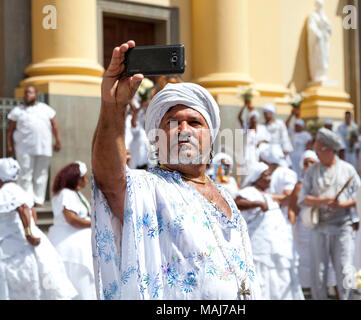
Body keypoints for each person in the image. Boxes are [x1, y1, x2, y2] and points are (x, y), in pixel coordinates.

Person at [91, 40, 260, 300]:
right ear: (157, 139)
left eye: (194, 122)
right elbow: (110, 180)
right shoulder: (150, 188)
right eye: (172, 123)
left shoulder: (225, 195)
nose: (183, 130)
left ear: (211, 137)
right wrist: (112, 105)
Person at [0, 158, 77, 300]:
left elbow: (23, 208)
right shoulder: (16, 189)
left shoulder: (7, 191)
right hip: (9, 235)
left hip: (9, 240)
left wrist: (29, 232)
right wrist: (32, 227)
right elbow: (31, 211)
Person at [298, 128, 361, 300]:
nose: (316, 154)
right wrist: (324, 201)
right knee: (318, 273)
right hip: (319, 227)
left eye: (319, 150)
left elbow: (360, 196)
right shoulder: (312, 171)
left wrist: (342, 204)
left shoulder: (348, 169)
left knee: (344, 269)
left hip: (343, 227)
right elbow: (302, 199)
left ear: (330, 150)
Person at [234, 163, 304, 300]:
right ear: (256, 177)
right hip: (261, 249)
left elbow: (287, 199)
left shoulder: (266, 195)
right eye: (266, 175)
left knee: (280, 280)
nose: (269, 178)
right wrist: (258, 204)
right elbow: (237, 203)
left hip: (275, 247)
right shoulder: (249, 192)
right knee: (263, 279)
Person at [289, 150, 339, 298]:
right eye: (306, 163)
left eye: (312, 162)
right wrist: (291, 230)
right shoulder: (299, 185)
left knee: (329, 264)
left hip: (324, 228)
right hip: (304, 232)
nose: (309, 165)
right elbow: (292, 210)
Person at [47, 161, 96, 300]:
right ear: (77, 178)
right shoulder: (66, 194)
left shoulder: (75, 194)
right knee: (76, 281)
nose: (87, 180)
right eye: (85, 177)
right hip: (69, 247)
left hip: (77, 244)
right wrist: (92, 224)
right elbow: (71, 219)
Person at [7, 85, 62, 207]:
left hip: (44, 147)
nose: (27, 95)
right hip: (24, 148)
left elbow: (55, 126)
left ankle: (38, 200)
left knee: (41, 174)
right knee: (25, 174)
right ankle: (26, 200)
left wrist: (58, 140)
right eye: (26, 93)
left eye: (30, 93)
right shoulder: (17, 111)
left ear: (36, 95)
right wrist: (9, 145)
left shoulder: (46, 109)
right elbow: (10, 130)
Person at [259, 144, 297, 224]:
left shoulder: (286, 173)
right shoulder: (271, 174)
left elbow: (289, 197)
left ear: (268, 162)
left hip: (283, 219)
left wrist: (264, 197)